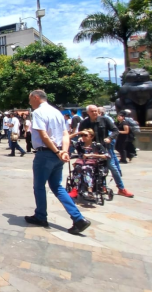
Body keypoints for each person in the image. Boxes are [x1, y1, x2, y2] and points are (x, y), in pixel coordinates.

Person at [25, 90, 91, 235]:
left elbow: (44, 135)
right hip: (58, 154)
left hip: (45, 154)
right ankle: (78, 218)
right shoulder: (57, 112)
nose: (30, 102)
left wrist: (56, 151)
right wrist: (64, 151)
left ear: (36, 97)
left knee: (39, 187)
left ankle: (41, 216)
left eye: (30, 99)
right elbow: (65, 134)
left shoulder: (38, 113)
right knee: (57, 186)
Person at [73, 105, 133, 198]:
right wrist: (81, 137)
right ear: (88, 112)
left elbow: (115, 130)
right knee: (90, 168)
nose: (95, 113)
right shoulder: (84, 122)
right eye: (92, 111)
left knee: (112, 167)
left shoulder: (105, 120)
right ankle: (98, 187)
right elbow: (81, 133)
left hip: (104, 148)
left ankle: (121, 188)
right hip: (90, 150)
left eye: (96, 111)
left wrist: (109, 138)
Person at [70, 129, 110, 199]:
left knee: (86, 169)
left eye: (85, 135)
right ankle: (75, 188)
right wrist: (78, 133)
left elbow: (107, 155)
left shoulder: (97, 145)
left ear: (91, 136)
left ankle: (90, 190)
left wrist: (92, 155)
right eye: (82, 135)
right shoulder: (79, 144)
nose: (83, 137)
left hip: (92, 165)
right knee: (77, 169)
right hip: (80, 164)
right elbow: (66, 139)